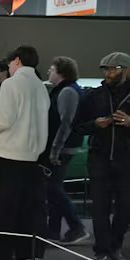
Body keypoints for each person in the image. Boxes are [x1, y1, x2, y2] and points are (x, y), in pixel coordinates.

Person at [0, 45, 50, 260]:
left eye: (9, 63)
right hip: (33, 157)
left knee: (2, 212)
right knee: (27, 211)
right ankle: (27, 258)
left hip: (9, 156)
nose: (8, 67)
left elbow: (5, 120)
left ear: (16, 60)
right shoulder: (41, 86)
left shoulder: (11, 84)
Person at [73, 52, 130, 260]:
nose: (109, 73)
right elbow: (78, 126)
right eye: (106, 69)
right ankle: (102, 250)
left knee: (125, 206)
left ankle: (116, 247)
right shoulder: (94, 95)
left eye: (114, 68)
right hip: (99, 157)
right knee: (99, 207)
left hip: (127, 159)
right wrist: (94, 124)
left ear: (126, 69)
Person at [43, 56, 87, 245]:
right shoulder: (66, 89)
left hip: (63, 148)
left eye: (52, 69)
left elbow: (65, 124)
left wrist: (54, 150)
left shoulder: (67, 91)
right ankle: (53, 231)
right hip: (65, 146)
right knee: (54, 188)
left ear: (60, 72)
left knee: (52, 188)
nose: (49, 72)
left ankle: (76, 226)